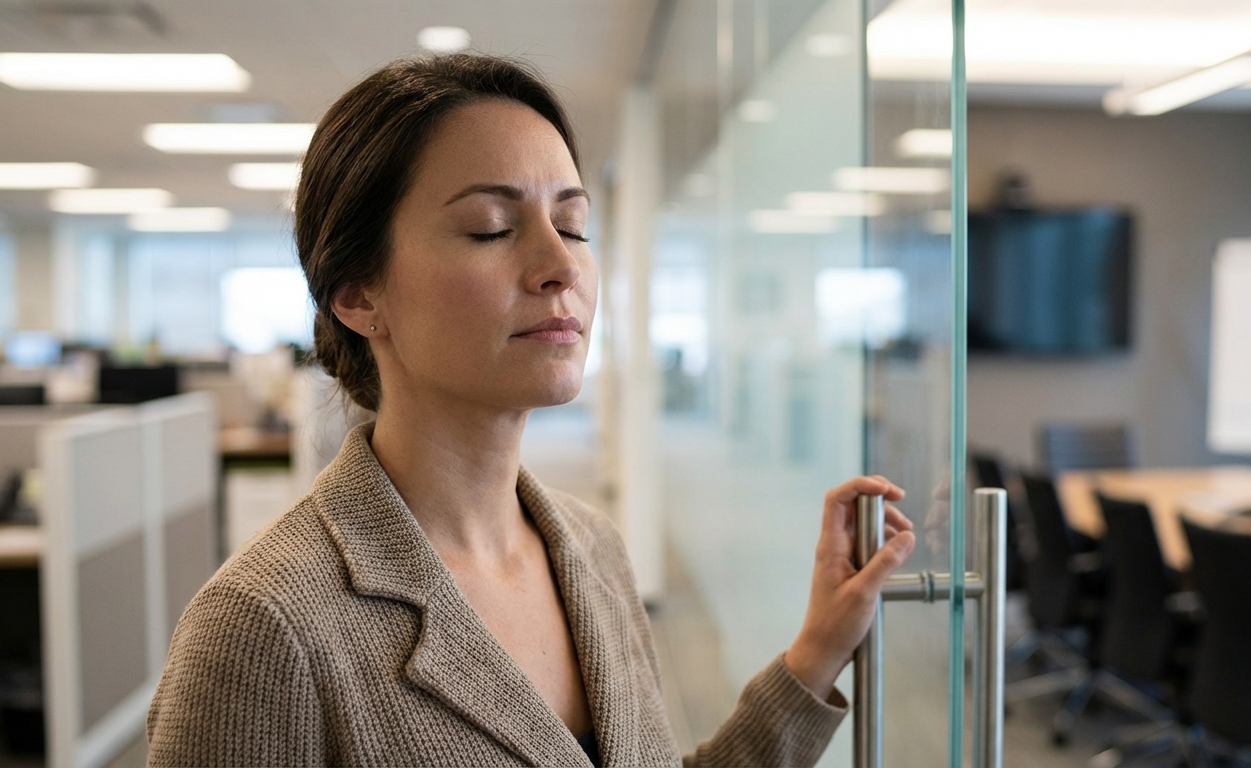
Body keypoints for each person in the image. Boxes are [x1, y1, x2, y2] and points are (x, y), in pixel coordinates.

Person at [146, 54, 916, 767]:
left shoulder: (592, 550)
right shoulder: (264, 627)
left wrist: (815, 653)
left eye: (573, 225)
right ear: (357, 294)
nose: (560, 267)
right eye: (492, 227)